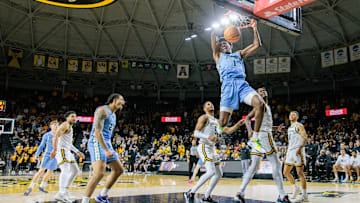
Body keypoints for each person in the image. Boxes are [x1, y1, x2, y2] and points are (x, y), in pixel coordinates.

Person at [211, 21, 264, 149]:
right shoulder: (218, 56)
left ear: (231, 46)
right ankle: (219, 126)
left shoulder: (238, 54)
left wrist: (254, 28)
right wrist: (223, 27)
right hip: (228, 86)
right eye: (221, 44)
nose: (223, 45)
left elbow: (257, 45)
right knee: (223, 123)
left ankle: (255, 138)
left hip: (241, 85)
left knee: (260, 103)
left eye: (226, 44)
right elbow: (213, 35)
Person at [236, 88, 288, 203]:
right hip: (264, 136)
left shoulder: (261, 106)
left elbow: (249, 119)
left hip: (259, 137)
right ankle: (282, 195)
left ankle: (240, 192)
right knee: (276, 163)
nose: (262, 91)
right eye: (259, 91)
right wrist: (250, 131)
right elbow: (248, 119)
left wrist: (275, 129)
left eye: (264, 91)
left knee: (253, 167)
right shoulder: (261, 105)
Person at [184, 101, 242, 203]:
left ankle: (207, 196)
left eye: (211, 104)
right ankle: (190, 192)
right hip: (204, 146)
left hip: (212, 148)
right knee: (211, 172)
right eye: (208, 104)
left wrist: (238, 124)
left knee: (219, 173)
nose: (211, 105)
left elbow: (227, 131)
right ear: (204, 109)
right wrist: (208, 137)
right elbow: (196, 133)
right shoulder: (204, 117)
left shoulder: (216, 121)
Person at [81, 93, 125, 203]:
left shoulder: (114, 114)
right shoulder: (102, 110)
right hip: (97, 142)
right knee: (99, 173)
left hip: (107, 143)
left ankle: (102, 195)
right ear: (114, 100)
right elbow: (97, 132)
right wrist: (106, 149)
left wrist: (109, 148)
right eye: (121, 100)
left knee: (119, 170)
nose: (123, 102)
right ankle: (85, 201)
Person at [50, 111, 85, 202]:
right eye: (72, 116)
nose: (74, 118)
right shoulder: (65, 125)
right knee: (65, 170)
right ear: (67, 118)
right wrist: (54, 150)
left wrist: (77, 151)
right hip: (62, 150)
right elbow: (55, 137)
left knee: (75, 170)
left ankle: (65, 191)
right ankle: (61, 193)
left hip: (67, 151)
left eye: (75, 116)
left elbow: (68, 143)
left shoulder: (70, 127)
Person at [24, 121, 59, 196]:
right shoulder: (47, 135)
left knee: (50, 172)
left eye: (57, 125)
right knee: (41, 171)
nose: (56, 126)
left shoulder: (59, 135)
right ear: (51, 126)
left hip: (55, 156)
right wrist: (36, 155)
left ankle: (42, 186)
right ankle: (30, 187)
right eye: (54, 125)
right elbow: (41, 146)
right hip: (47, 155)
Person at [283, 111, 308, 202]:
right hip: (290, 151)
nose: (291, 116)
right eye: (290, 114)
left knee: (300, 173)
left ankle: (305, 195)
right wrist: (286, 153)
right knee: (285, 172)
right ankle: (295, 188)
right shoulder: (289, 128)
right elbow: (290, 142)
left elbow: (305, 138)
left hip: (298, 150)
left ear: (297, 117)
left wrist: (300, 148)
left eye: (293, 114)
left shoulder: (299, 125)